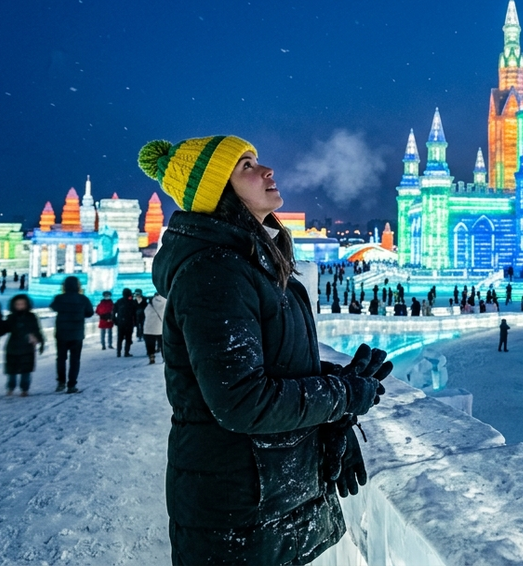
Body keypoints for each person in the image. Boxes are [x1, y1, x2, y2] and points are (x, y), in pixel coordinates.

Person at [140, 135, 392, 564]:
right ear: (218, 191)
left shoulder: (255, 261)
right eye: (246, 166)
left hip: (267, 505)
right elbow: (242, 400)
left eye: (256, 160)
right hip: (237, 514)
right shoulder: (215, 272)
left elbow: (271, 361)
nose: (266, 170)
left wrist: (336, 402)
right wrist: (343, 396)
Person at [50, 276, 93, 394]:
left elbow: (53, 307)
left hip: (61, 333)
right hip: (77, 334)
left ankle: (61, 382)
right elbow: (89, 312)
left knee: (61, 358)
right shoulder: (83, 299)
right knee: (75, 360)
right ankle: (71, 385)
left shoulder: (59, 298)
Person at [1, 294, 45, 396]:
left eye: (22, 304)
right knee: (11, 370)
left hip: (27, 347)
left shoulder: (31, 317)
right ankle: (10, 387)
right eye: (18, 304)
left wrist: (41, 341)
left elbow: (37, 330)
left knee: (26, 370)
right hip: (13, 346)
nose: (20, 306)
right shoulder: (11, 317)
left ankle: (24, 389)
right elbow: (3, 329)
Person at [113, 288, 138, 358]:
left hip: (120, 322)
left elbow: (114, 312)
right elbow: (135, 314)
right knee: (128, 338)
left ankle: (118, 352)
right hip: (129, 322)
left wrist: (115, 321)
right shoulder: (132, 302)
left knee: (120, 338)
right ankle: (126, 352)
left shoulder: (119, 301)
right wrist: (136, 323)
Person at [143, 293, 167, 365]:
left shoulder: (150, 302)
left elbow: (145, 312)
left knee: (150, 344)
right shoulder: (165, 301)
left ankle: (151, 357)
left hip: (148, 327)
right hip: (160, 327)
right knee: (163, 344)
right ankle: (165, 358)